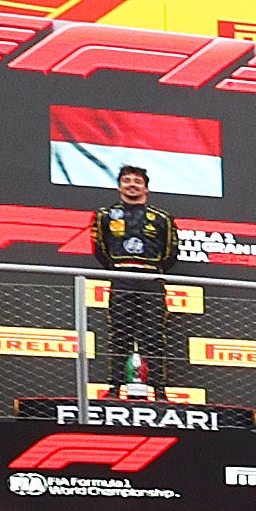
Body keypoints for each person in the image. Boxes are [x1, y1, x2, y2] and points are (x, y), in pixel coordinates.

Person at [91, 157, 187, 402]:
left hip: (151, 280)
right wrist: (118, 268)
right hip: (121, 278)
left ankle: (160, 390)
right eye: (126, 181)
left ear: (146, 187)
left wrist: (152, 270)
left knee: (154, 334)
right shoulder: (104, 215)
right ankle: (114, 389)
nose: (132, 185)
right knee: (119, 333)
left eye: (137, 181)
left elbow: (170, 252)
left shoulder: (162, 218)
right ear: (119, 187)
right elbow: (100, 249)